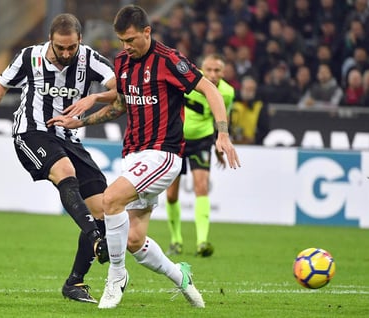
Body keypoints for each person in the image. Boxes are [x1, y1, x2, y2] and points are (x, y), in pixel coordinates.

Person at [47, 4, 240, 309]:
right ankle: (181, 277)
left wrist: (223, 133)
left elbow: (210, 90)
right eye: (122, 40)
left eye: (132, 39)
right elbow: (121, 104)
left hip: (163, 155)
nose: (126, 46)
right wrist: (83, 117)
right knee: (134, 241)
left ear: (147, 32)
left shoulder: (169, 60)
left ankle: (116, 277)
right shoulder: (123, 61)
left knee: (110, 200)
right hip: (134, 155)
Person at [0, 13, 116, 304]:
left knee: (105, 206)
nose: (67, 53)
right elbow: (1, 83)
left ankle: (75, 282)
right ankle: (96, 238)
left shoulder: (89, 58)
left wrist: (94, 98)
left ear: (79, 41)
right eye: (61, 48)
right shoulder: (28, 57)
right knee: (65, 170)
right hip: (32, 133)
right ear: (51, 40)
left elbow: (118, 88)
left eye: (72, 47)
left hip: (69, 138)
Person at [165, 53, 235, 257]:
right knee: (171, 194)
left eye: (217, 70)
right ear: (201, 70)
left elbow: (222, 116)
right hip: (176, 139)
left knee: (202, 187)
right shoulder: (188, 82)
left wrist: (219, 142)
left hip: (202, 141)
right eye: (209, 70)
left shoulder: (228, 92)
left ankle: (202, 241)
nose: (213, 75)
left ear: (224, 72)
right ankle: (176, 240)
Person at [230, 76, 270, 145]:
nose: (248, 92)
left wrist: (254, 139)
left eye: (251, 89)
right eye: (246, 89)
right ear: (241, 88)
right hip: (232, 141)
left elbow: (264, 129)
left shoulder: (260, 107)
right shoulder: (233, 104)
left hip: (252, 144)